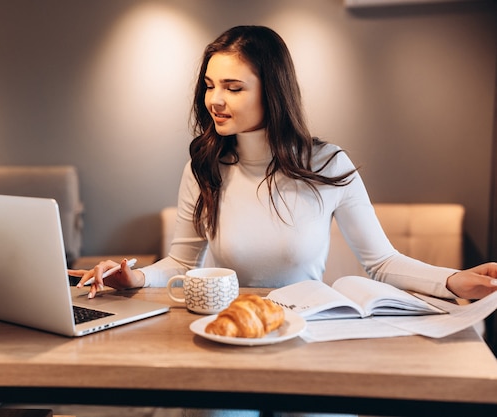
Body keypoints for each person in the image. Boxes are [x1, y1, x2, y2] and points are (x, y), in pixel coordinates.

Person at [68, 24, 497, 417]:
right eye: (210, 85)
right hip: (228, 339)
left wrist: (453, 281)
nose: (215, 100)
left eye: (234, 87)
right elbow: (181, 266)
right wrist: (136, 279)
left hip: (305, 338)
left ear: (271, 91)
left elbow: (381, 262)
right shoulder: (205, 164)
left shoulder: (327, 164)